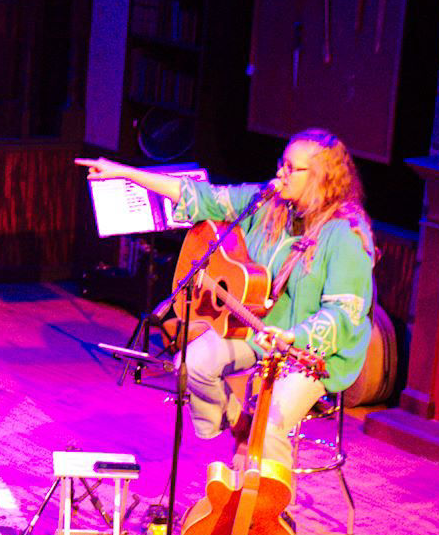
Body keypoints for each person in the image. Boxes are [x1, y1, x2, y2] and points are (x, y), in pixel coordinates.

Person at [77, 131, 377, 476]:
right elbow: (203, 196)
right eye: (282, 163)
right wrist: (124, 171)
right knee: (193, 363)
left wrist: (294, 336)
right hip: (259, 330)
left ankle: (271, 513)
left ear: (321, 177)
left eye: (292, 168)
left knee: (274, 419)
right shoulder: (269, 203)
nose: (280, 173)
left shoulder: (347, 233)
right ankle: (240, 427)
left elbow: (344, 314)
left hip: (312, 354)